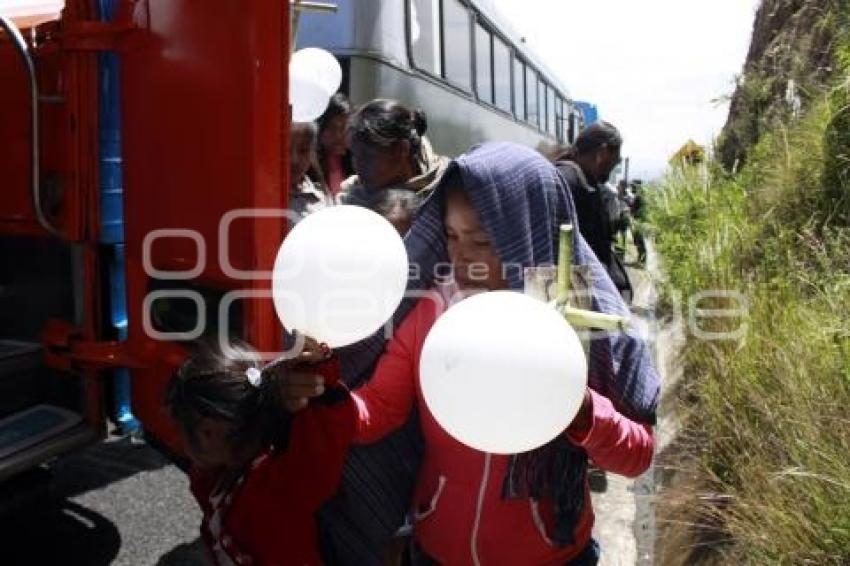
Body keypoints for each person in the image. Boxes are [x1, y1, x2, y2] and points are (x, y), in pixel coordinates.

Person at [287, 143, 660, 564]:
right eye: (450, 234)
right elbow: (379, 410)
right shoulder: (431, 312)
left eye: (482, 239)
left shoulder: (579, 325)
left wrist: (581, 410)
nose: (460, 253)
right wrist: (323, 393)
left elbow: (637, 457)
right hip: (437, 552)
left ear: (528, 233)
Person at [166, 340, 355, 566]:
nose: (177, 441)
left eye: (180, 430)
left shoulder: (284, 486)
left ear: (208, 433)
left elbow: (323, 438)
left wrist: (319, 380)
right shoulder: (219, 476)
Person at [341, 99, 449, 232]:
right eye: (355, 155)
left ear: (402, 150)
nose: (357, 166)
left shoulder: (448, 193)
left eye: (368, 156)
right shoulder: (354, 197)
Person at [553, 122, 633, 302]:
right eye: (616, 159)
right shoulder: (569, 183)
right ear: (602, 154)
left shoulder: (581, 182)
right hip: (576, 296)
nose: (614, 165)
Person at [313, 93, 355, 200]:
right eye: (332, 128)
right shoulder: (309, 164)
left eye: (344, 128)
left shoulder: (357, 160)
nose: (338, 135)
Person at [289, 122, 333, 223]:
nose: (294, 160)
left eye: (303, 151)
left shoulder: (323, 198)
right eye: (286, 150)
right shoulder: (262, 199)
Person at [630, 180, 647, 265]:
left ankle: (642, 261)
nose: (631, 188)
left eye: (632, 186)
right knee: (637, 241)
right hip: (637, 222)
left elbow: (641, 210)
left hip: (639, 223)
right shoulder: (638, 196)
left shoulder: (640, 196)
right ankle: (640, 259)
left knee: (640, 241)